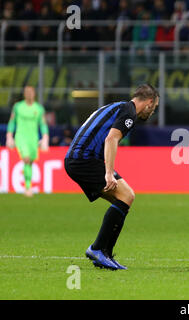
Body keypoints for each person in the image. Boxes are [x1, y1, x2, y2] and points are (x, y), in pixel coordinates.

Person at [64, 84, 159, 270]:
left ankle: (104, 253)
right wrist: (108, 173)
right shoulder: (129, 113)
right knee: (125, 195)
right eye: (154, 108)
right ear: (148, 102)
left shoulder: (116, 106)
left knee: (126, 197)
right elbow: (111, 139)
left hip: (78, 158)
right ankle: (98, 249)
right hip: (84, 160)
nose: (152, 112)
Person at [6, 86, 49, 197]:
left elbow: (43, 124)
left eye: (31, 92)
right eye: (27, 92)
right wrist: (9, 136)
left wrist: (45, 137)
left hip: (33, 138)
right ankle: (27, 188)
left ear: (34, 94)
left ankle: (28, 185)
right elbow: (12, 121)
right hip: (21, 136)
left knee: (30, 162)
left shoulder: (39, 109)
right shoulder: (18, 107)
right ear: (24, 94)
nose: (29, 94)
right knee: (26, 159)